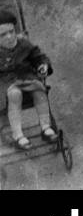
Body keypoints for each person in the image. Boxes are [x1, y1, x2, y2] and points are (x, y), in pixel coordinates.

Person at [0, 9, 55, 151]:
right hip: (7, 83)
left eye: (11, 31)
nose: (9, 37)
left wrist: (43, 65)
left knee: (39, 91)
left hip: (27, 78)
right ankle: (18, 135)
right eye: (3, 35)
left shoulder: (24, 44)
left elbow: (38, 57)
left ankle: (46, 127)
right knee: (14, 95)